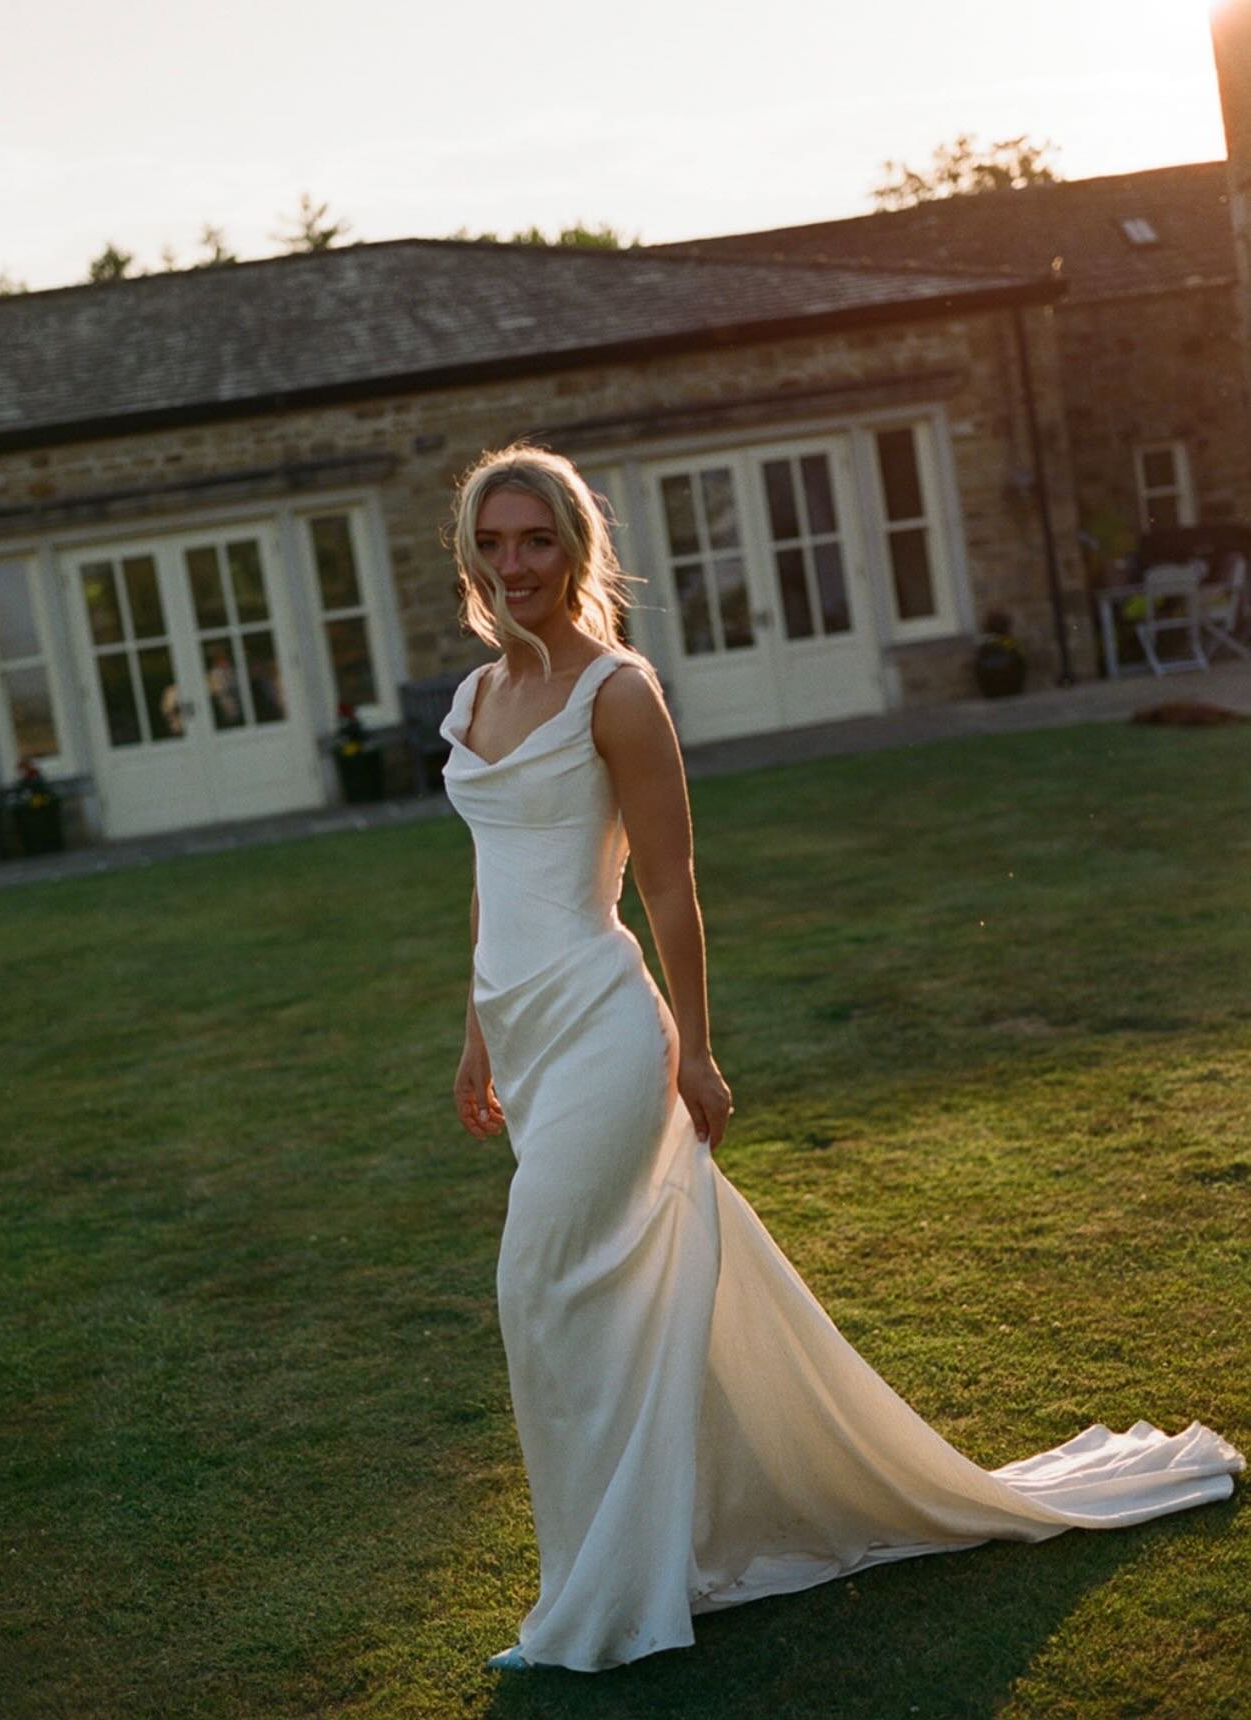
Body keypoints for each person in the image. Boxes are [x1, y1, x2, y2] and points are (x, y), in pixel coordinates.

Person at [440, 444, 1242, 1676]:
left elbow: (669, 884)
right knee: (573, 1311)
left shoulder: (618, 692)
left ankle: (614, 1583)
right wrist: (475, 1030)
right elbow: (492, 885)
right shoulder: (474, 701)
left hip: (605, 1030)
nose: (514, 565)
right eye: (493, 543)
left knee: (533, 1287)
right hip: (527, 1038)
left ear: (575, 547)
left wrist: (697, 1051)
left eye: (535, 540)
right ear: (471, 556)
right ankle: (623, 1556)